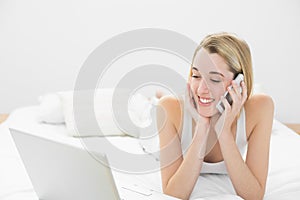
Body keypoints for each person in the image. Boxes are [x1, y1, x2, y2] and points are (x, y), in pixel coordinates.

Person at [156, 32, 274, 200]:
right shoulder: (169, 108)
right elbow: (174, 194)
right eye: (196, 76)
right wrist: (203, 125)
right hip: (169, 108)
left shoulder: (261, 107)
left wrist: (224, 131)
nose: (201, 89)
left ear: (239, 83)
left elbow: (253, 196)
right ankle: (156, 96)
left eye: (215, 79)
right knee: (157, 106)